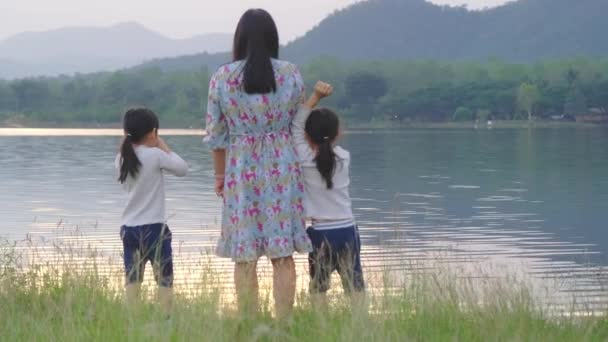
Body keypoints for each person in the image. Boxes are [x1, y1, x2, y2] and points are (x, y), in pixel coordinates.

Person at [204, 9, 312, 318]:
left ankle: (250, 322)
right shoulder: (290, 73)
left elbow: (216, 136)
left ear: (239, 39)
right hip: (283, 168)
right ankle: (284, 324)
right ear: (273, 39)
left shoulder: (222, 77)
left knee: (244, 255)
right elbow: (297, 124)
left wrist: (220, 176)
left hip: (241, 169)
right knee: (282, 255)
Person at [292, 82, 365, 308]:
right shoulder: (345, 157)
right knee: (354, 284)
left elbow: (295, 125)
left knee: (319, 287)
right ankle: (362, 324)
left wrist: (315, 97)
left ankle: (320, 326)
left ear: (306, 135)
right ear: (337, 133)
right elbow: (301, 129)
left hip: (320, 232)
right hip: (347, 229)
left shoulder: (304, 160)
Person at [115, 108, 188, 314]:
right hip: (154, 229)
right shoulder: (155, 155)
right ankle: (165, 319)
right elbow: (182, 169)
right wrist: (163, 146)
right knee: (164, 280)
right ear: (153, 132)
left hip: (129, 229)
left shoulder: (121, 159)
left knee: (132, 280)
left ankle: (131, 320)